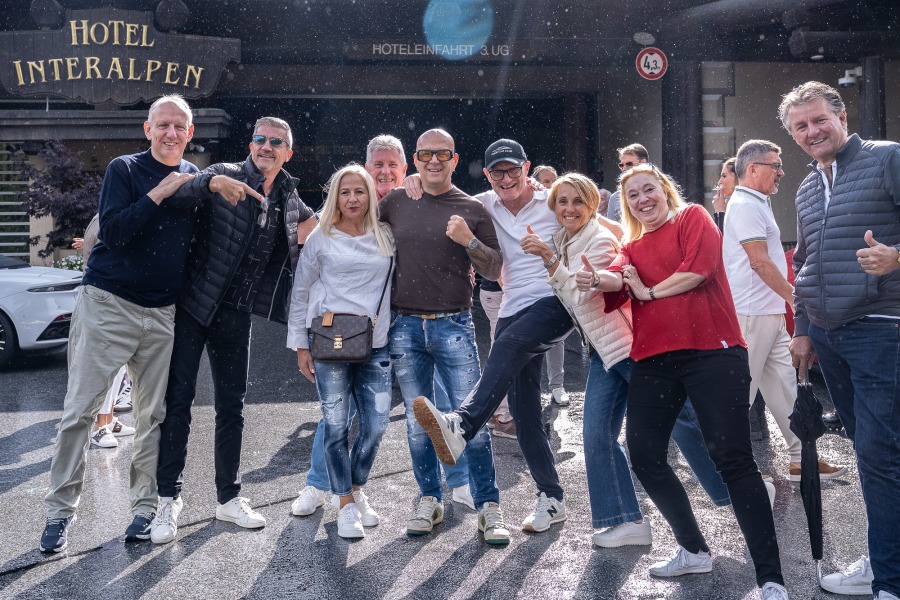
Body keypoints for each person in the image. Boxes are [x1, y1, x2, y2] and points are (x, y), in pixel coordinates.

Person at [582, 164, 787, 599]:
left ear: (665, 190)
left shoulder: (692, 216)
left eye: (648, 189)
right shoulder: (631, 245)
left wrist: (649, 292)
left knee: (733, 459)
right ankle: (693, 550)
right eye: (633, 195)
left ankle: (771, 579)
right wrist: (596, 278)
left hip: (713, 352)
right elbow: (617, 276)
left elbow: (700, 270)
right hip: (654, 360)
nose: (642, 199)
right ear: (626, 204)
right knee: (645, 456)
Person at [526, 172, 731, 548]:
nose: (569, 208)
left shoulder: (597, 239)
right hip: (604, 352)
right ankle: (626, 521)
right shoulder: (566, 239)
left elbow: (587, 291)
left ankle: (736, 488)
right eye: (562, 202)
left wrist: (552, 261)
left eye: (578, 201)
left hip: (630, 348)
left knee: (682, 422)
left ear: (593, 205)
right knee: (597, 435)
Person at [40, 95, 204, 552]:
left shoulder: (194, 177)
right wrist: (159, 192)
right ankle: (59, 513)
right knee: (80, 411)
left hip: (163, 313)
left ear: (190, 133)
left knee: (152, 416)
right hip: (108, 304)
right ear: (147, 129)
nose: (171, 133)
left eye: (179, 126)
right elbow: (112, 232)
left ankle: (144, 509)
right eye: (163, 124)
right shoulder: (125, 169)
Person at [150, 117, 317, 545]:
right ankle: (167, 500)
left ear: (288, 153)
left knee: (232, 408)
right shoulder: (224, 173)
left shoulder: (289, 198)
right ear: (250, 143)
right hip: (193, 307)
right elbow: (180, 192)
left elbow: (327, 225)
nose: (266, 146)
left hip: (235, 315)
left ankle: (228, 498)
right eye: (260, 138)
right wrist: (208, 184)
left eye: (276, 142)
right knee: (178, 403)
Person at [291, 134, 477, 518]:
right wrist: (302, 340)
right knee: (339, 412)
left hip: (408, 320)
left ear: (405, 168)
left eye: (393, 164)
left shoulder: (412, 201)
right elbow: (309, 263)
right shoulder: (353, 204)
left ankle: (459, 481)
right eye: (378, 164)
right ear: (366, 167)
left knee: (437, 403)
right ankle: (319, 484)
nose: (386, 171)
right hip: (355, 328)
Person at [412, 139, 576, 534]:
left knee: (507, 344)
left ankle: (463, 424)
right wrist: (412, 181)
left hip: (555, 299)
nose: (506, 179)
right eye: (497, 172)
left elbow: (592, 218)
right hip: (512, 307)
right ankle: (552, 497)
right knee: (524, 412)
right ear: (487, 175)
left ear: (527, 168)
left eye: (513, 170)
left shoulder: (552, 200)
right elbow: (440, 192)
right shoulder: (482, 204)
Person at [780, 81, 900, 600]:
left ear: (842, 117)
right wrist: (804, 331)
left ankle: (889, 580)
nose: (812, 132)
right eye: (801, 126)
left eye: (819, 120)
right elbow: (805, 263)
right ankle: (884, 560)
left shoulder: (887, 158)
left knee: (879, 456)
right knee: (874, 454)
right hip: (830, 339)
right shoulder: (807, 187)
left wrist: (897, 257)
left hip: (880, 329)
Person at [378, 128, 510, 544]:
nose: (433, 161)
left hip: (453, 324)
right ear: (415, 159)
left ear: (455, 159)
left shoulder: (471, 208)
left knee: (472, 419)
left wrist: (468, 240)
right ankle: (429, 499)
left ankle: (489, 505)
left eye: (442, 154)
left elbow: (494, 269)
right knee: (418, 422)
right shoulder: (396, 201)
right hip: (404, 326)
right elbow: (356, 229)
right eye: (425, 154)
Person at [723, 139, 845, 482]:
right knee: (740, 396)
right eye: (775, 166)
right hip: (752, 313)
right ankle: (726, 469)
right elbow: (759, 262)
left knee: (785, 387)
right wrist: (795, 300)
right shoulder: (747, 205)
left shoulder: (752, 202)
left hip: (764, 312)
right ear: (753, 169)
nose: (781, 172)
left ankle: (801, 459)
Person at [287, 165, 394, 538]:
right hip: (329, 343)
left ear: (370, 196)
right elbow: (301, 290)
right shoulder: (322, 236)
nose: (352, 199)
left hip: (376, 342)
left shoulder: (385, 235)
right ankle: (345, 503)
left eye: (359, 192)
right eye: (345, 192)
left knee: (376, 425)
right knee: (335, 424)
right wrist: (300, 344)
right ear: (335, 197)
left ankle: (356, 488)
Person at [72, 216, 136, 449]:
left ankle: (108, 421)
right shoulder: (108, 214)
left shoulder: (104, 214)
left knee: (118, 369)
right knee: (108, 366)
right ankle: (100, 427)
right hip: (107, 300)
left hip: (114, 299)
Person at [606, 143, 650, 222]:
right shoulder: (615, 198)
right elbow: (611, 228)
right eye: (621, 165)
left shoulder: (660, 190)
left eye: (629, 164)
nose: (624, 169)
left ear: (643, 163)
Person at [712, 157, 736, 231]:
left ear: (737, 177)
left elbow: (722, 236)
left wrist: (720, 210)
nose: (719, 181)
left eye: (724, 176)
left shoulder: (741, 204)